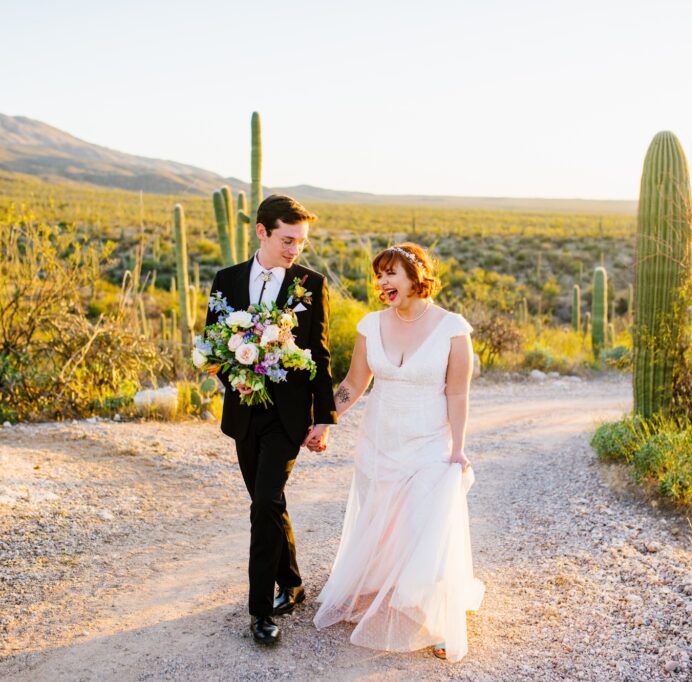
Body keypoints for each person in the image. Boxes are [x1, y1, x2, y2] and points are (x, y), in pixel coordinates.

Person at [313, 242, 484, 662]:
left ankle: (440, 617)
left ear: (415, 275)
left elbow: (457, 393)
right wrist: (322, 419)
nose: (383, 282)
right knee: (386, 520)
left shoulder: (452, 328)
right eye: (380, 275)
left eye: (391, 273)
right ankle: (387, 585)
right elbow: (354, 384)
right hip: (380, 440)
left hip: (430, 442)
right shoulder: (371, 325)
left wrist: (458, 448)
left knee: (428, 525)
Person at [206, 195, 336, 646]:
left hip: (287, 417)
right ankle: (294, 581)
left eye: (300, 242)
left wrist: (323, 419)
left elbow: (319, 354)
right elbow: (213, 345)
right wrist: (235, 376)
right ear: (261, 231)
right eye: (287, 239)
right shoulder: (226, 280)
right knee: (270, 503)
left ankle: (260, 612)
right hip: (244, 415)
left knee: (262, 506)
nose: (294, 250)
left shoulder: (309, 283)